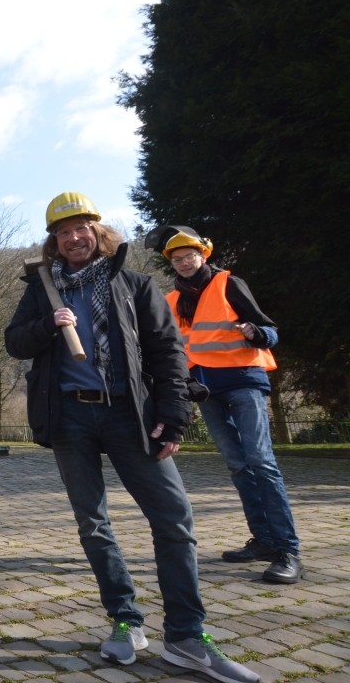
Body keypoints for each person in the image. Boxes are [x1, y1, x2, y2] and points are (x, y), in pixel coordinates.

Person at [5, 192, 258, 683]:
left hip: (130, 415)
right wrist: (46, 325)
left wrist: (175, 414)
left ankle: (185, 635)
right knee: (92, 524)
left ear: (98, 233)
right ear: (54, 242)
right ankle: (125, 620)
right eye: (63, 231)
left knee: (174, 519)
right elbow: (15, 342)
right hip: (70, 420)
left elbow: (168, 351)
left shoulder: (132, 283)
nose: (74, 237)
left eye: (82, 228)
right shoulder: (41, 288)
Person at [162, 229, 301, 584]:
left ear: (203, 255)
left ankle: (288, 550)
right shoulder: (171, 301)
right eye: (177, 259)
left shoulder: (228, 284)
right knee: (238, 466)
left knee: (261, 462)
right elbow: (177, 353)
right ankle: (265, 541)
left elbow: (270, 330)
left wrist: (256, 333)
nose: (184, 262)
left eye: (189, 255)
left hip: (243, 383)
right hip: (205, 392)